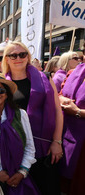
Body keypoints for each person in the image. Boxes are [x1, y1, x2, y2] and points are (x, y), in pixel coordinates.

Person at [2, 41, 63, 195]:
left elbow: (57, 111)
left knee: (45, 188)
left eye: (22, 54)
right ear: (6, 59)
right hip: (14, 148)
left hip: (44, 146)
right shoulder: (1, 84)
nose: (18, 58)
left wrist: (57, 141)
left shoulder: (45, 78)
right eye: (13, 55)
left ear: (27, 57)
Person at [58, 63, 85, 194]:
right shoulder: (74, 71)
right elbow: (60, 94)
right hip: (65, 137)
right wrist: (63, 100)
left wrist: (79, 112)